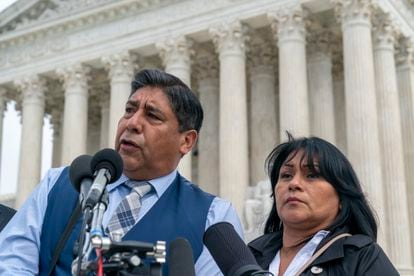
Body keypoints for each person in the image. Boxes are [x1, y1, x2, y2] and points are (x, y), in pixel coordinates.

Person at [0, 69, 243, 275]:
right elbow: (11, 264)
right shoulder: (57, 185)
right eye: (129, 110)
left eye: (152, 115)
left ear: (186, 141)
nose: (132, 123)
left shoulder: (214, 217)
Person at [248, 134, 398, 276]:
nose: (294, 184)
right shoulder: (248, 257)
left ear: (341, 196)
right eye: (286, 175)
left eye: (312, 175)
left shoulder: (363, 258)